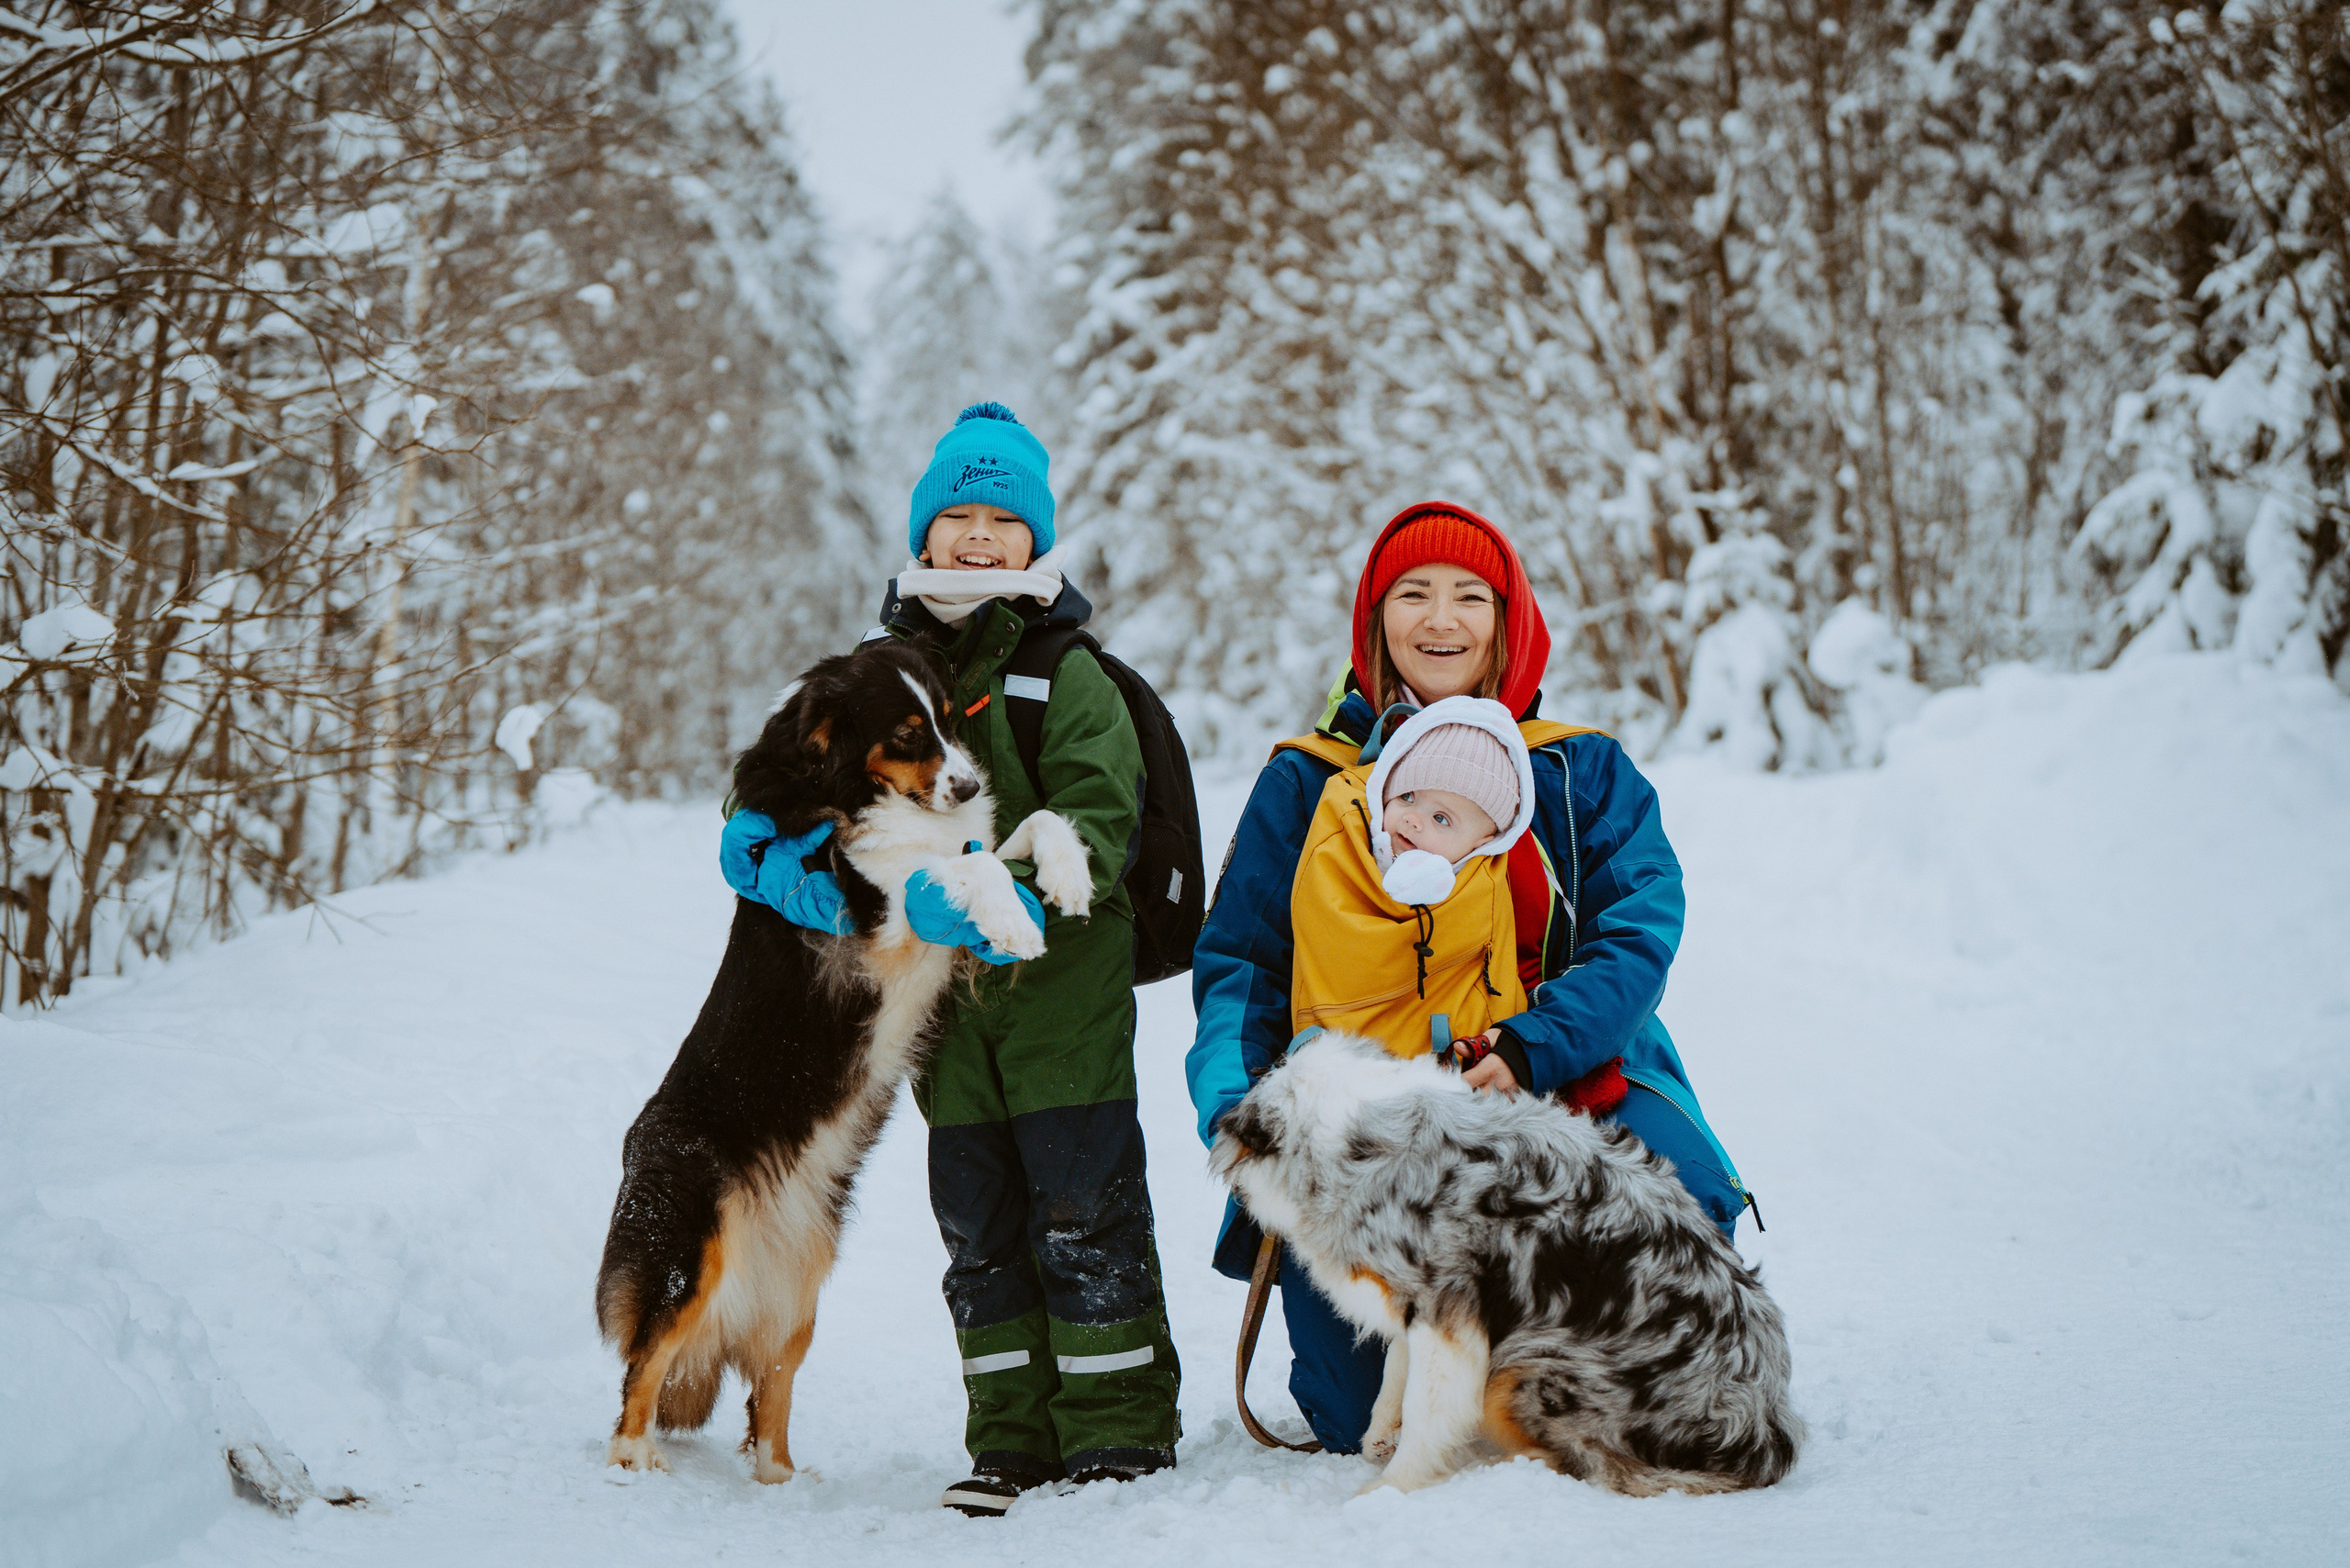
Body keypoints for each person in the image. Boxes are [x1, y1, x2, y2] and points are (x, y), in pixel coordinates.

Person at [1188, 500, 1751, 1455]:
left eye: (1468, 596)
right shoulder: (1308, 780)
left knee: (1676, 1212)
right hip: (1375, 1119)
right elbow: (1240, 963)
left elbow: (1637, 930)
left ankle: (1600, 1389)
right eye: (1412, 594)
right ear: (1376, 621)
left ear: (1507, 619)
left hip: (1560, 1066)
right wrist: (1239, 1110)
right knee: (1342, 1403)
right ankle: (1470, 1367)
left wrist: (1534, 1046)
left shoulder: (1580, 768)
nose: (1440, 619)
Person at [724, 403, 1181, 1515]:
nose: (978, 538)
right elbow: (794, 803)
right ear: (924, 537)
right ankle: (1011, 1443)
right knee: (978, 1227)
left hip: (1062, 1001)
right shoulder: (887, 672)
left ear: (1036, 543)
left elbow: (1099, 820)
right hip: (945, 1021)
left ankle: (1118, 1434)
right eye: (956, 519)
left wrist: (1006, 899)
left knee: (1084, 1211)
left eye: (1002, 521)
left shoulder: (1066, 673)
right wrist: (802, 862)